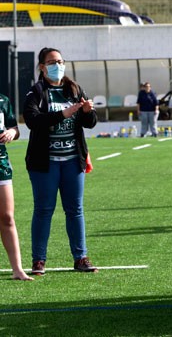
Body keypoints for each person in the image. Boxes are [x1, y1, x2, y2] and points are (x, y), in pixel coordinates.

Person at [24, 47, 99, 275]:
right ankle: (39, 260)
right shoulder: (36, 91)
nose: (57, 65)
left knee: (75, 209)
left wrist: (87, 111)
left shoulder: (74, 89)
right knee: (44, 209)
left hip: (72, 160)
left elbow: (90, 123)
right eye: (51, 62)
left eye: (60, 61)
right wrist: (62, 115)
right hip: (44, 162)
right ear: (42, 67)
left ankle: (81, 257)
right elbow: (32, 120)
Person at [0, 93, 34, 280]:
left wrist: (12, 132)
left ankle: (17, 269)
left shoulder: (3, 100)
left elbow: (14, 127)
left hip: (1, 164)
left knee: (7, 217)